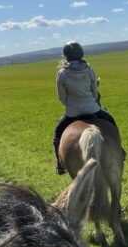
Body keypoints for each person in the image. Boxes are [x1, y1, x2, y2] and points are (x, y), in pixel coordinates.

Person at [52, 41, 123, 174]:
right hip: (92, 109)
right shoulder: (89, 70)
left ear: (66, 56)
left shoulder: (61, 74)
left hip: (72, 113)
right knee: (111, 122)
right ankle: (121, 150)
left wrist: (71, 103)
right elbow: (95, 92)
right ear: (81, 54)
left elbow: (61, 97)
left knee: (57, 134)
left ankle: (60, 165)